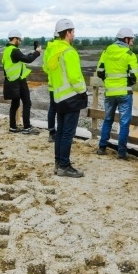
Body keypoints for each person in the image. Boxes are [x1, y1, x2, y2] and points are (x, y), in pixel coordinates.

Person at [46, 18, 88, 178]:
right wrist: (83, 90)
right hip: (71, 98)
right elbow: (75, 77)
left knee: (61, 132)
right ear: (68, 33)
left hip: (58, 97)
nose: (74, 35)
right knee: (68, 134)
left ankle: (58, 163)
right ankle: (64, 165)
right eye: (73, 32)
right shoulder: (69, 52)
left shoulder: (54, 51)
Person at [96, 28, 138, 160]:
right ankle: (121, 152)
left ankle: (102, 147)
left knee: (108, 120)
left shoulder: (106, 52)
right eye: (131, 39)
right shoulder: (129, 54)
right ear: (126, 39)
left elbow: (100, 71)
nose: (132, 42)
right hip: (124, 93)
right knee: (124, 123)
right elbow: (135, 75)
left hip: (110, 92)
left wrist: (109, 82)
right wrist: (127, 83)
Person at [3, 30, 42, 134]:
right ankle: (27, 127)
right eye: (19, 40)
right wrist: (37, 52)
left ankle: (13, 127)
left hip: (11, 80)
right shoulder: (14, 50)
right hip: (19, 81)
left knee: (15, 104)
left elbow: (21, 58)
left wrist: (32, 53)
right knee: (27, 102)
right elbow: (27, 59)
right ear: (15, 39)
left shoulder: (7, 50)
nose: (20, 42)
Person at [42, 36, 57, 143]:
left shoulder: (48, 49)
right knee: (63, 111)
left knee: (52, 108)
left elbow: (45, 67)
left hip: (52, 85)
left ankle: (52, 133)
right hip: (64, 87)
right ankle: (62, 134)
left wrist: (52, 74)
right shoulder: (64, 48)